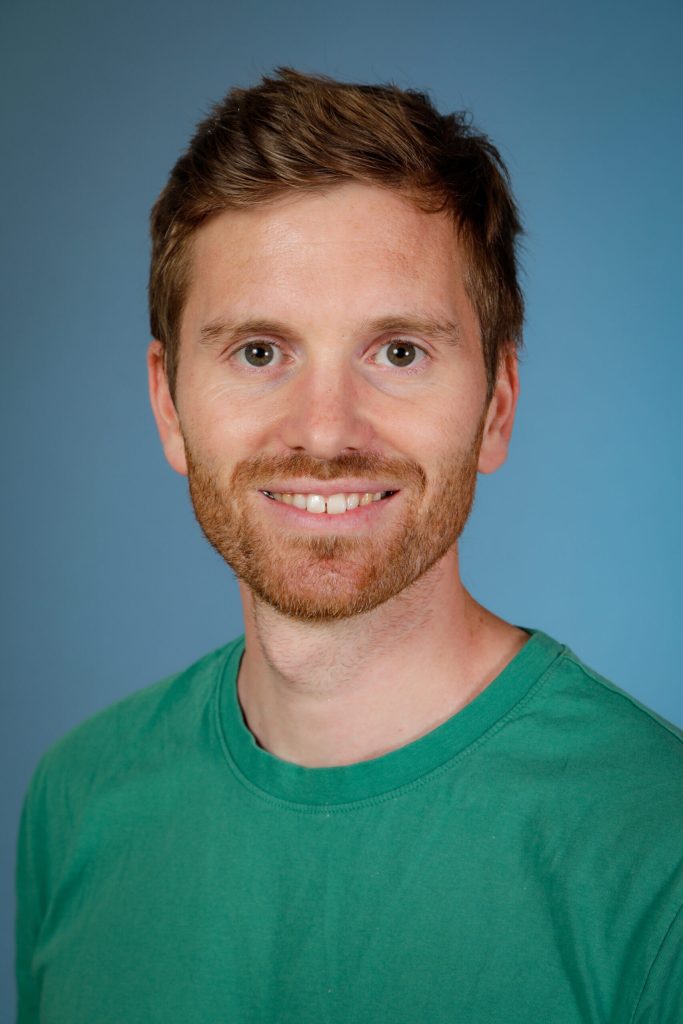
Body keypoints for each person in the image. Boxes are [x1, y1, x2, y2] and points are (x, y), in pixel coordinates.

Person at [16, 68, 683, 1023]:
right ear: (168, 405)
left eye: (398, 352)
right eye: (259, 352)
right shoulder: (77, 802)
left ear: (496, 405)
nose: (326, 431)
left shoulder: (657, 853)